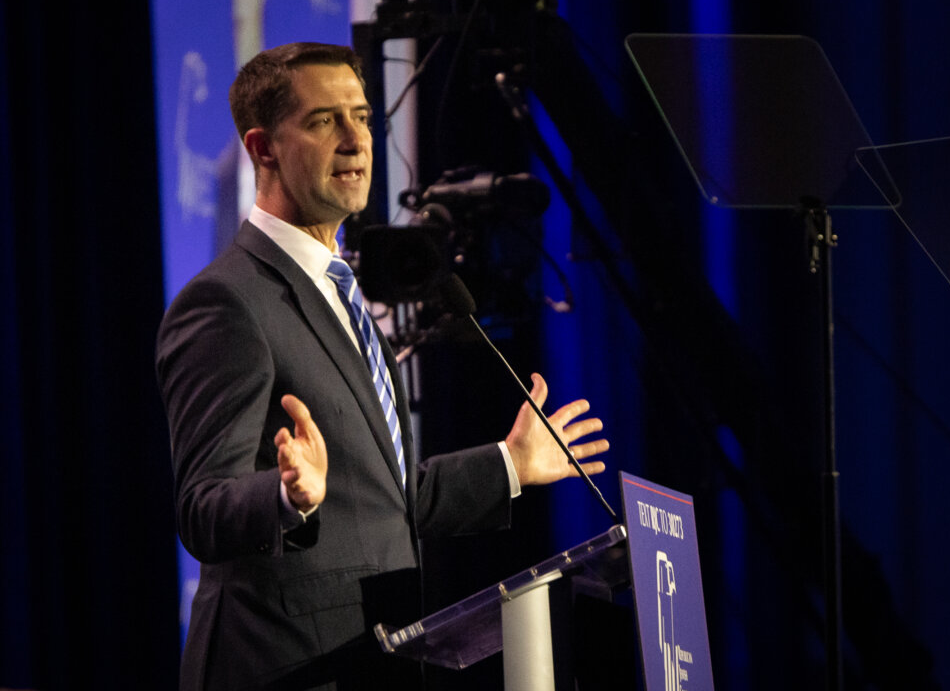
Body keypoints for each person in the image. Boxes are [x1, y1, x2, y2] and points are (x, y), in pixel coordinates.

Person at [155, 42, 609, 691]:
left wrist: (510, 464)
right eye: (323, 121)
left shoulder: (338, 290)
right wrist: (285, 496)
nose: (355, 140)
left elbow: (384, 500)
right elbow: (203, 508)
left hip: (371, 660)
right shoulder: (226, 302)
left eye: (362, 117)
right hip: (286, 668)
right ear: (262, 149)